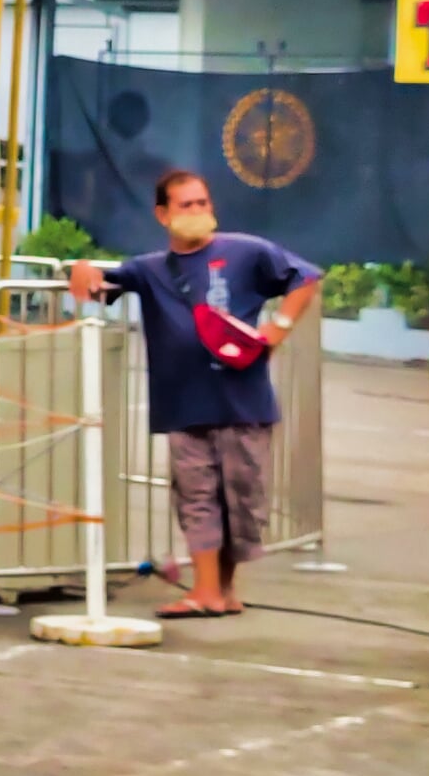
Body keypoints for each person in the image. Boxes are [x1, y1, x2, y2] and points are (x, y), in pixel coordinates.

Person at [68, 169, 322, 619]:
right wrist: (82, 268)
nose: (198, 211)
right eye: (186, 205)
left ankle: (222, 589)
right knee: (196, 496)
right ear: (163, 214)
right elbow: (100, 284)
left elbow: (305, 278)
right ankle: (205, 590)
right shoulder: (149, 269)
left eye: (202, 203)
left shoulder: (247, 252)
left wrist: (277, 328)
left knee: (240, 500)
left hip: (243, 401)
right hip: (184, 404)